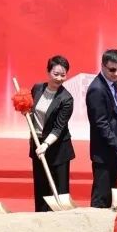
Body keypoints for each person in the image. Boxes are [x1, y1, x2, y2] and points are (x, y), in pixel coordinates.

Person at [29, 56, 75, 212]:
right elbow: (31, 111)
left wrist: (46, 144)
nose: (59, 78)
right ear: (48, 72)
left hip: (58, 148)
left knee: (60, 190)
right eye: (56, 74)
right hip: (37, 143)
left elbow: (58, 127)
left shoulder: (66, 98)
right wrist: (25, 110)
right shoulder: (37, 89)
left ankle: (61, 220)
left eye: (63, 75)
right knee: (41, 186)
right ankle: (41, 217)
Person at [86, 49, 117, 208]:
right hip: (104, 150)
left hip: (115, 149)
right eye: (112, 70)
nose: (116, 74)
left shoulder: (113, 83)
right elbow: (100, 123)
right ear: (103, 66)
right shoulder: (97, 89)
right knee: (101, 196)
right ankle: (95, 221)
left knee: (111, 192)